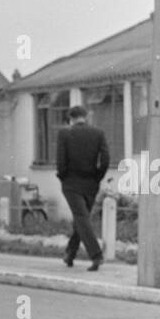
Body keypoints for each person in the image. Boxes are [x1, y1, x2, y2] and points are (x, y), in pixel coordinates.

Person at [56, 104, 110, 270]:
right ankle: (69, 254)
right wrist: (98, 176)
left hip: (71, 183)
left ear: (71, 118)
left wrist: (63, 176)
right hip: (91, 183)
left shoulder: (64, 133)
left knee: (81, 218)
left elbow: (61, 160)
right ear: (85, 117)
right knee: (82, 218)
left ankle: (96, 255)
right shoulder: (98, 133)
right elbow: (106, 159)